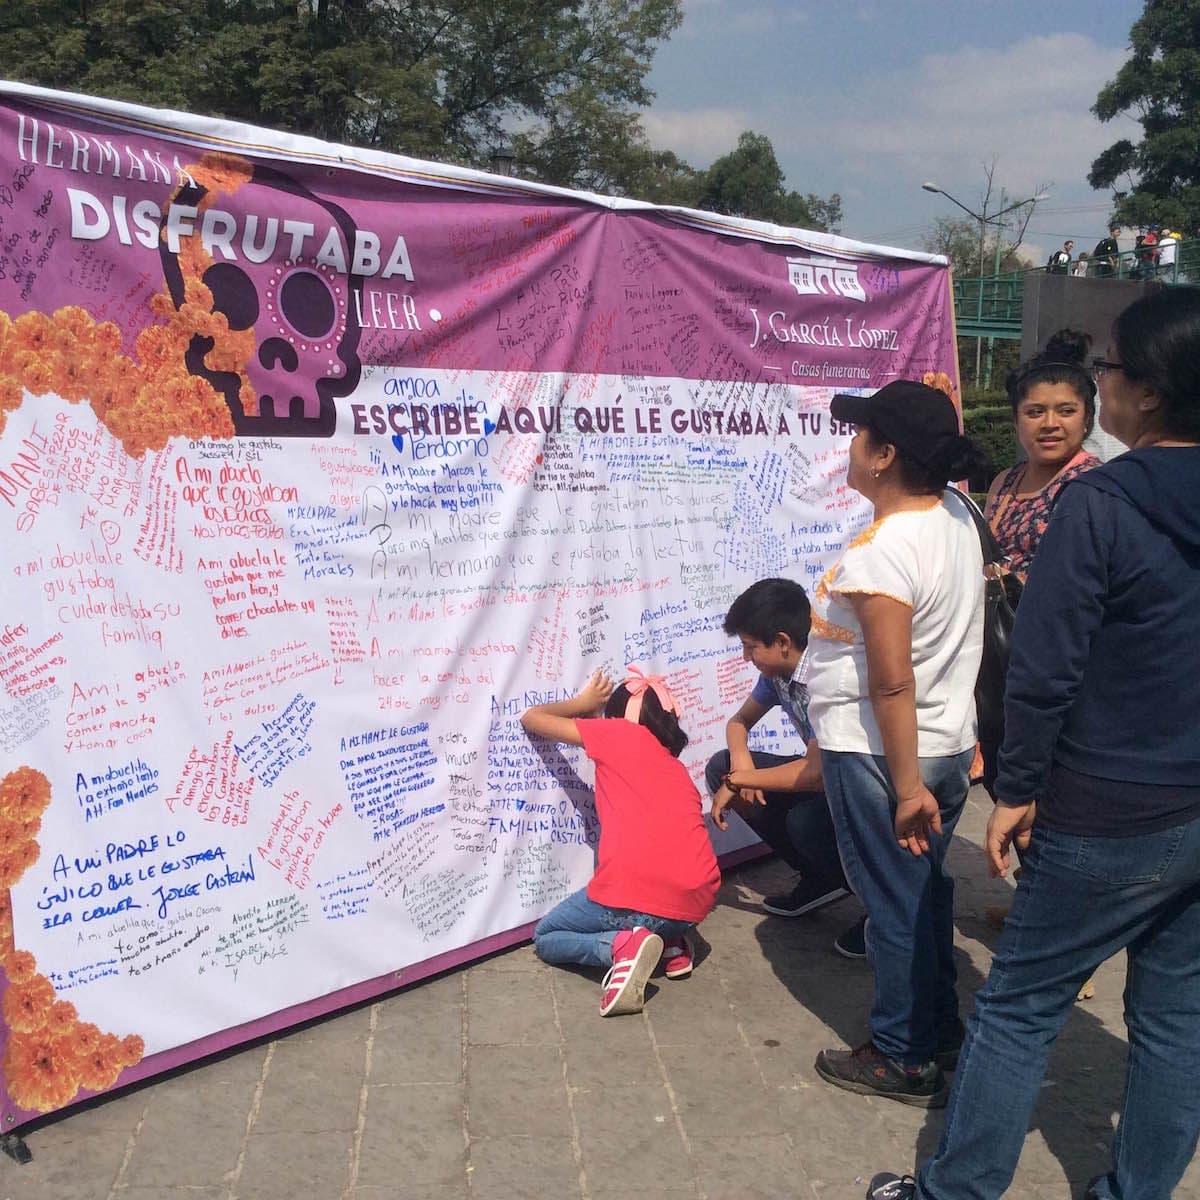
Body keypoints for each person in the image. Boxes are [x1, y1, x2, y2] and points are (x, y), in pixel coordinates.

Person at [866, 287, 1200, 1200]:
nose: (1103, 390)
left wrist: (1015, 790)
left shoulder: (1101, 503)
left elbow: (1046, 671)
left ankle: (954, 1189)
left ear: (1147, 394)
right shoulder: (1076, 495)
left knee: (1017, 1009)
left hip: (1110, 803)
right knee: (1177, 1022)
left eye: (1111, 374)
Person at [804, 380, 987, 1107]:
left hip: (887, 758)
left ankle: (904, 1056)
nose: (849, 448)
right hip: (942, 745)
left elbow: (890, 685)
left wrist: (906, 790)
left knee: (893, 906)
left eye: (860, 436)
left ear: (883, 456)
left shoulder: (882, 555)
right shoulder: (953, 514)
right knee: (923, 896)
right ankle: (937, 1029)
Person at [523, 667, 719, 1017]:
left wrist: (581, 702)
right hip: (694, 903)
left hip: (637, 894)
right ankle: (671, 945)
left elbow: (532, 718)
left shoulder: (616, 733)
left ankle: (620, 947)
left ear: (616, 717)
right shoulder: (674, 767)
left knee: (547, 936)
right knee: (662, 898)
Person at [706, 579, 856, 947]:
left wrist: (741, 780)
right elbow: (738, 723)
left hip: (860, 787)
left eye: (750, 647)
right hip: (826, 779)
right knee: (719, 766)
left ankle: (879, 908)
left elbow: (817, 775)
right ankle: (819, 878)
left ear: (783, 642)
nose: (746, 658)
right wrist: (740, 766)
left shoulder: (826, 676)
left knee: (803, 820)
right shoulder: (777, 676)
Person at [984, 330, 1101, 583]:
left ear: (1087, 418)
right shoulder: (1005, 482)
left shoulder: (1095, 487)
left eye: (1066, 411)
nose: (1050, 423)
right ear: (1016, 420)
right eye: (1035, 412)